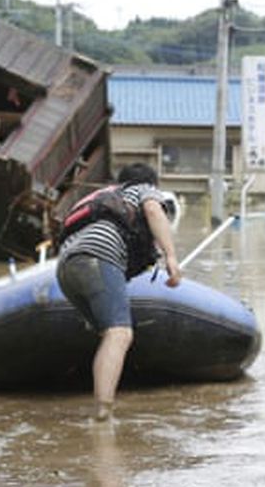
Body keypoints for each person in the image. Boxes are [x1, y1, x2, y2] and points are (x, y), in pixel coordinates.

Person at [56, 163, 182, 421]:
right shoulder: (143, 190)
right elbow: (152, 210)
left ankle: (101, 398)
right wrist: (171, 256)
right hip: (98, 257)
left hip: (66, 267)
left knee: (108, 333)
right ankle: (103, 413)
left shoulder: (103, 200)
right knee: (119, 333)